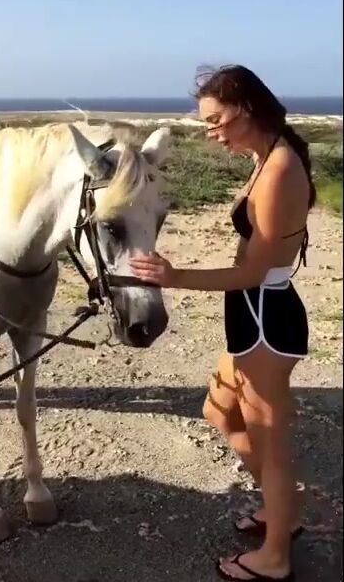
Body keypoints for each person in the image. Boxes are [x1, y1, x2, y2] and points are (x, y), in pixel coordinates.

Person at [129, 65, 313, 581]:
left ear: (246, 109)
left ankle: (275, 556)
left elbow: (253, 271)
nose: (210, 132)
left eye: (215, 120)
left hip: (265, 316)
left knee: (269, 444)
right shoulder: (266, 157)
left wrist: (174, 277)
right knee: (219, 410)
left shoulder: (278, 169)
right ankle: (281, 513)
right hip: (253, 313)